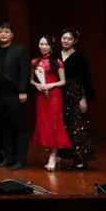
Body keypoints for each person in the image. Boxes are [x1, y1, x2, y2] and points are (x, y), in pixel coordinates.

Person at [0, 22, 30, 170]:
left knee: (19, 128)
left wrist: (23, 91)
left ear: (12, 34)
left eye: (6, 32)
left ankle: (21, 159)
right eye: (0, 32)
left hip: (14, 94)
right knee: (4, 128)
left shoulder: (20, 50)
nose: (3, 34)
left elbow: (25, 72)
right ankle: (9, 158)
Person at [31, 35, 72, 171]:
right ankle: (53, 154)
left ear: (51, 46)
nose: (43, 47)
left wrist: (50, 85)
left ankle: (53, 156)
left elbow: (63, 81)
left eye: (46, 44)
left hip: (54, 95)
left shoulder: (57, 62)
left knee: (54, 123)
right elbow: (31, 80)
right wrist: (37, 85)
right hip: (41, 96)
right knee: (45, 124)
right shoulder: (35, 62)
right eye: (41, 44)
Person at [58, 28, 95, 169]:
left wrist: (83, 98)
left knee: (77, 127)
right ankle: (62, 157)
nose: (66, 41)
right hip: (59, 92)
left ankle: (80, 161)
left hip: (74, 93)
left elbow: (85, 80)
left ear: (75, 41)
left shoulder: (80, 58)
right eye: (64, 38)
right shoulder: (56, 56)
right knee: (62, 125)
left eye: (69, 39)